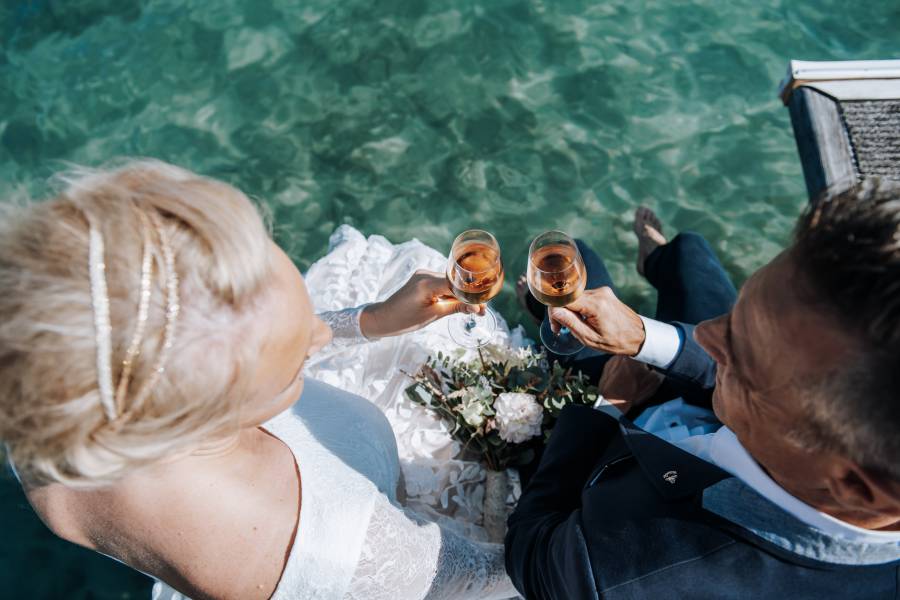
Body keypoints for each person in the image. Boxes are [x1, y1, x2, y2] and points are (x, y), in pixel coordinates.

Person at [0, 160, 518, 600]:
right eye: (295, 355)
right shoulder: (333, 543)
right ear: (210, 411)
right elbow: (493, 581)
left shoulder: (47, 404)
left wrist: (372, 321)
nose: (320, 334)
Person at [506, 180, 900, 599]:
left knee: (569, 270)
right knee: (686, 251)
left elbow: (530, 550)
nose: (707, 336)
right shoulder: (833, 433)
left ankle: (553, 313)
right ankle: (656, 258)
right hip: (695, 399)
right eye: (737, 317)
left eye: (741, 350)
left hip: (603, 443)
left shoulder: (626, 572)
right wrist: (643, 337)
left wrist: (610, 405)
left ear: (855, 487)